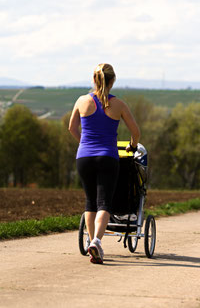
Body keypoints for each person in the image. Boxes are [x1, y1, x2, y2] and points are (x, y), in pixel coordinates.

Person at [68, 63, 140, 264]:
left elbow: (71, 128)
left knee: (90, 203)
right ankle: (97, 242)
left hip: (84, 157)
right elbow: (136, 132)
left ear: (94, 79)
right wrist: (131, 147)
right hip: (108, 157)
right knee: (104, 203)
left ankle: (92, 241)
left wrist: (84, 143)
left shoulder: (82, 101)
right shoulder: (118, 105)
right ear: (112, 81)